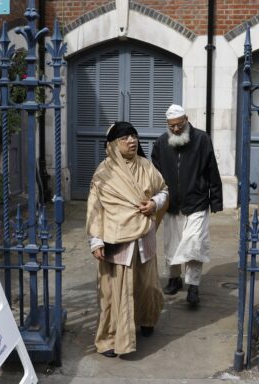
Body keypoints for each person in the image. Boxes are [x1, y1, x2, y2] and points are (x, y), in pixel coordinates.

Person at [86, 121, 168, 358]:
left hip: (144, 239)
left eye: (134, 136)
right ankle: (110, 340)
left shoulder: (146, 166)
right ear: (112, 145)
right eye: (125, 138)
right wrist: (96, 241)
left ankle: (147, 319)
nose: (132, 141)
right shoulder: (103, 173)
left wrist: (155, 203)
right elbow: (95, 208)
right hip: (115, 241)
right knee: (114, 295)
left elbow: (163, 190)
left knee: (147, 287)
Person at [151, 104, 223, 307]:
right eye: (171, 126)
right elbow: (154, 175)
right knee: (171, 245)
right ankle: (174, 279)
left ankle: (193, 286)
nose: (175, 129)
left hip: (197, 202)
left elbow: (212, 170)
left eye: (179, 124)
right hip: (171, 204)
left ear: (186, 119)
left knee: (194, 245)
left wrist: (216, 200)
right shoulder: (161, 143)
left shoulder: (201, 139)